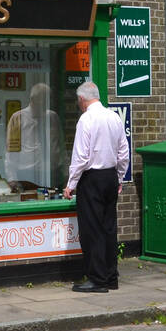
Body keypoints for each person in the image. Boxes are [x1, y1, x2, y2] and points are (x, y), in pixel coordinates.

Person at [63, 81, 129, 292]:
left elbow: (81, 156)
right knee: (109, 229)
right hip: (110, 176)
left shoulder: (86, 119)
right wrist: (118, 178)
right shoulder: (114, 117)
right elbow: (123, 152)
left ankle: (97, 280)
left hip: (92, 179)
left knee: (92, 230)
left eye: (78, 100)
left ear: (82, 99)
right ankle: (111, 277)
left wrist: (70, 184)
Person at [4, 82, 63, 191]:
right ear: (33, 99)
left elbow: (60, 146)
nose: (46, 104)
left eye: (48, 100)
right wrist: (11, 178)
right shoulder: (18, 118)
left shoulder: (53, 117)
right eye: (43, 100)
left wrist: (65, 172)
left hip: (51, 174)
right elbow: (11, 151)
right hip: (27, 175)